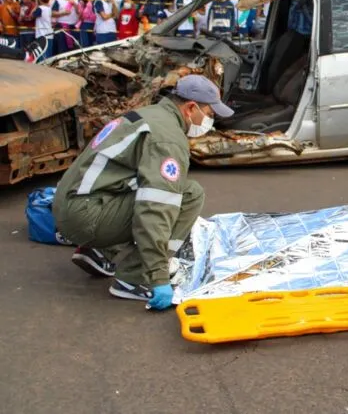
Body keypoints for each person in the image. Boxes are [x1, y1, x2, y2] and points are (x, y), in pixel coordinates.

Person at [52, 75, 234, 309]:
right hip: (84, 214)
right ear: (191, 108)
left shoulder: (150, 115)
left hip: (72, 205)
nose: (211, 122)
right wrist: (157, 276)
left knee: (146, 181)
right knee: (188, 194)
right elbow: (155, 210)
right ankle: (134, 278)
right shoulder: (167, 139)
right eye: (209, 115)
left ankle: (99, 253)